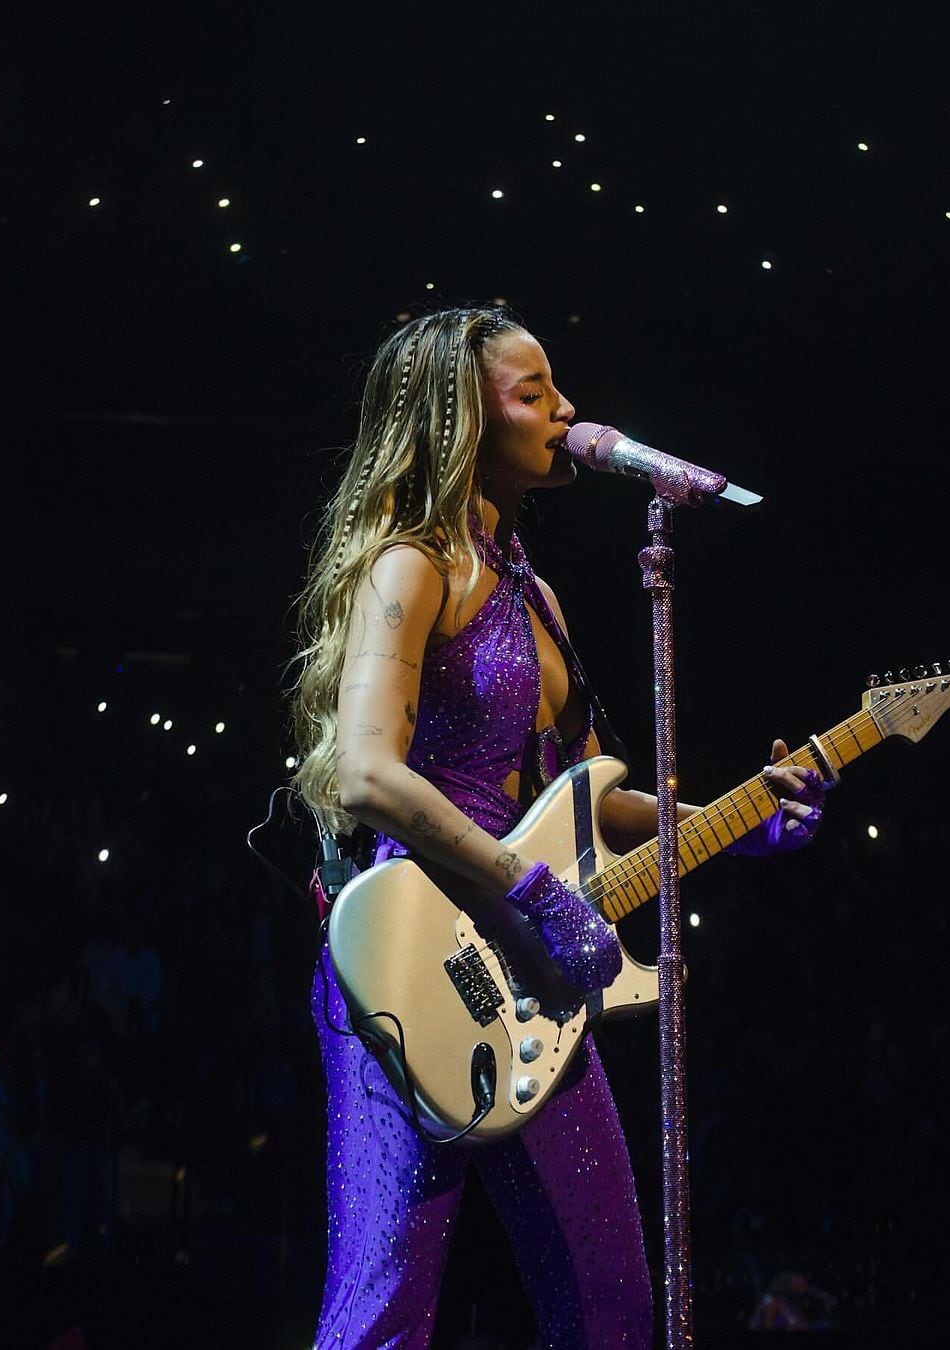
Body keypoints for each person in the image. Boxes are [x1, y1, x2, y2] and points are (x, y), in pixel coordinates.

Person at [287, 305, 826, 1349]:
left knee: (613, 1311)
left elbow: (585, 794)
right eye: (533, 394)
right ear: (459, 420)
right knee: (383, 1314)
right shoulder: (411, 565)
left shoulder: (537, 597)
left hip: (531, 977)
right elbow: (364, 772)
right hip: (405, 959)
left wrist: (741, 821)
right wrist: (527, 889)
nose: (567, 411)